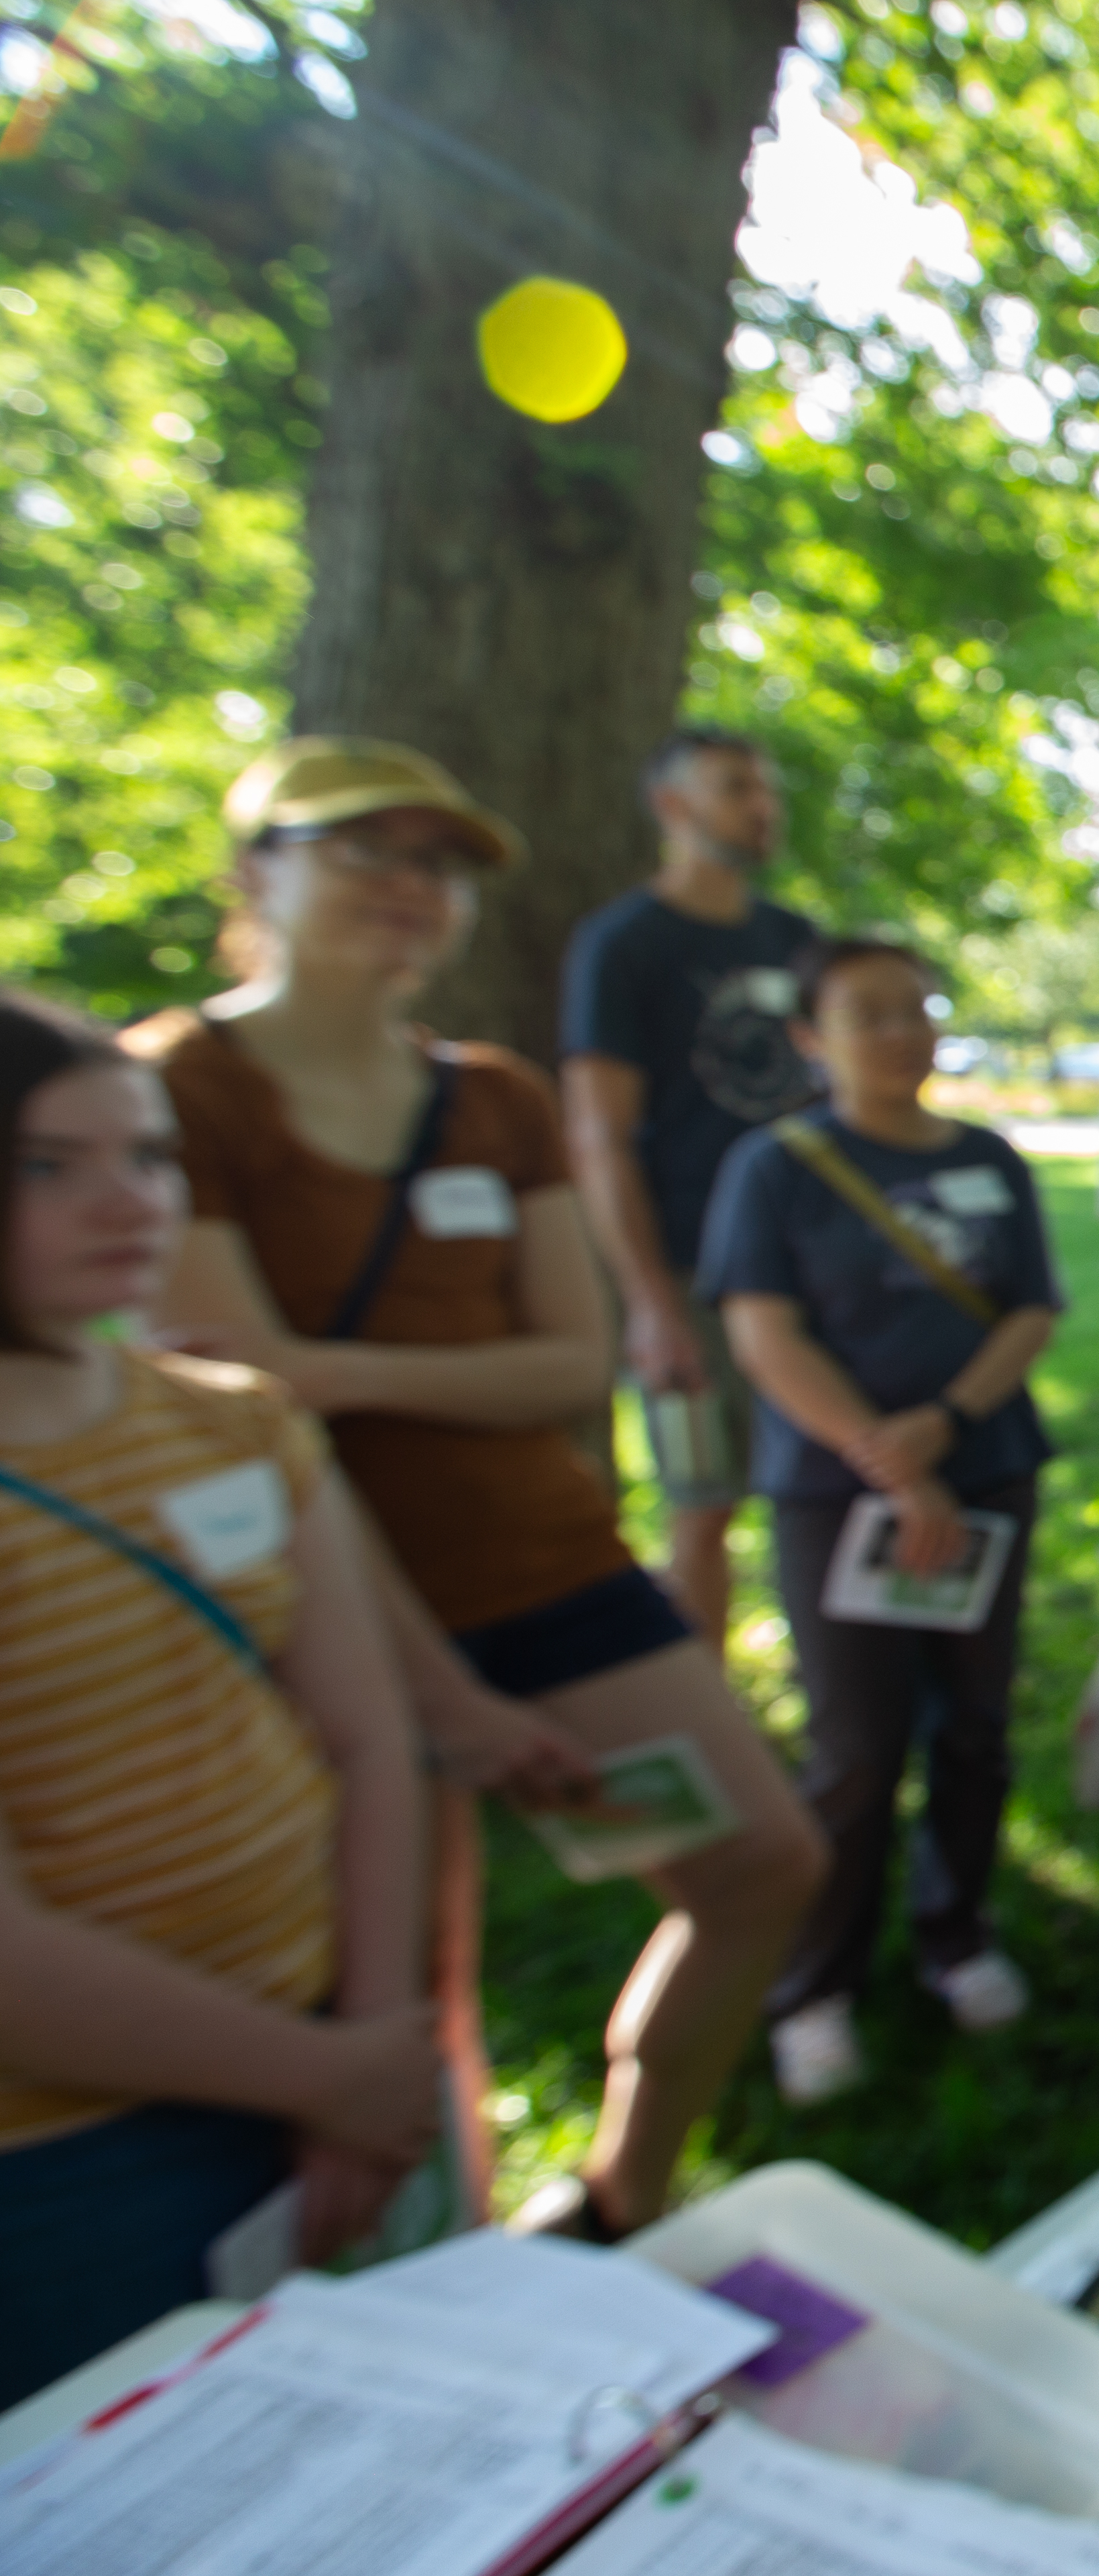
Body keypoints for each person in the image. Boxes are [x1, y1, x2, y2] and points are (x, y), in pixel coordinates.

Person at [134, 740, 822, 2243]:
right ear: (257, 871)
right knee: (413, 1972)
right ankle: (421, 2270)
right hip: (301, 1607)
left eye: (437, 864)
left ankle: (617, 2209)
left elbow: (567, 1365)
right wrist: (312, 1383)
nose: (411, 888)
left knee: (765, 1859)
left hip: (541, 1557)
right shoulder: (176, 1089)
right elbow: (234, 1406)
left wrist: (327, 1367)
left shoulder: (493, 1100)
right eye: (364, 850)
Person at [0, 990, 436, 2404]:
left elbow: (371, 1742)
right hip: (81, 2153)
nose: (127, 1200)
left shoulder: (236, 1416)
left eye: (149, 1156)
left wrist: (373, 2039)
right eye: (46, 1165)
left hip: (335, 2055)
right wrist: (322, 2077)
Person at [695, 938, 1058, 2107]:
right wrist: (891, 1467)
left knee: (976, 1725)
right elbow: (766, 1335)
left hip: (989, 1472)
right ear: (812, 1038)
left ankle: (955, 1934)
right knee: (857, 1748)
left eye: (917, 1009)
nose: (901, 1033)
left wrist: (948, 1426)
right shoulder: (777, 1168)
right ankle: (817, 1985)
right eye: (867, 1015)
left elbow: (1029, 1313)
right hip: (835, 1498)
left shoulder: (992, 1159)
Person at [561, 727, 823, 1666]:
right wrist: (649, 1305)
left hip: (814, 1273)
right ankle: (711, 1725)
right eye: (734, 787)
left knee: (831, 1484)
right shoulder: (625, 945)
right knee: (704, 1505)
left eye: (766, 787)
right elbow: (598, 1133)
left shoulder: (795, 942)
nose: (763, 807)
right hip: (690, 1273)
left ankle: (839, 1685)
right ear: (674, 807)